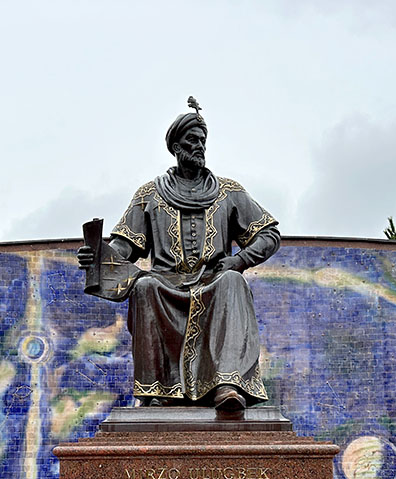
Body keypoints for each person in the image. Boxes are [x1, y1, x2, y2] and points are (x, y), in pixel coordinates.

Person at [77, 99, 280, 411]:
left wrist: (239, 260)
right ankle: (155, 392)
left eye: (203, 141)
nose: (199, 146)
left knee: (233, 283)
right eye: (192, 140)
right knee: (145, 287)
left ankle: (228, 385)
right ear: (175, 145)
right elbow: (125, 246)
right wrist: (99, 257)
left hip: (214, 283)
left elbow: (268, 234)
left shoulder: (229, 191)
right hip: (165, 287)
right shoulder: (150, 194)